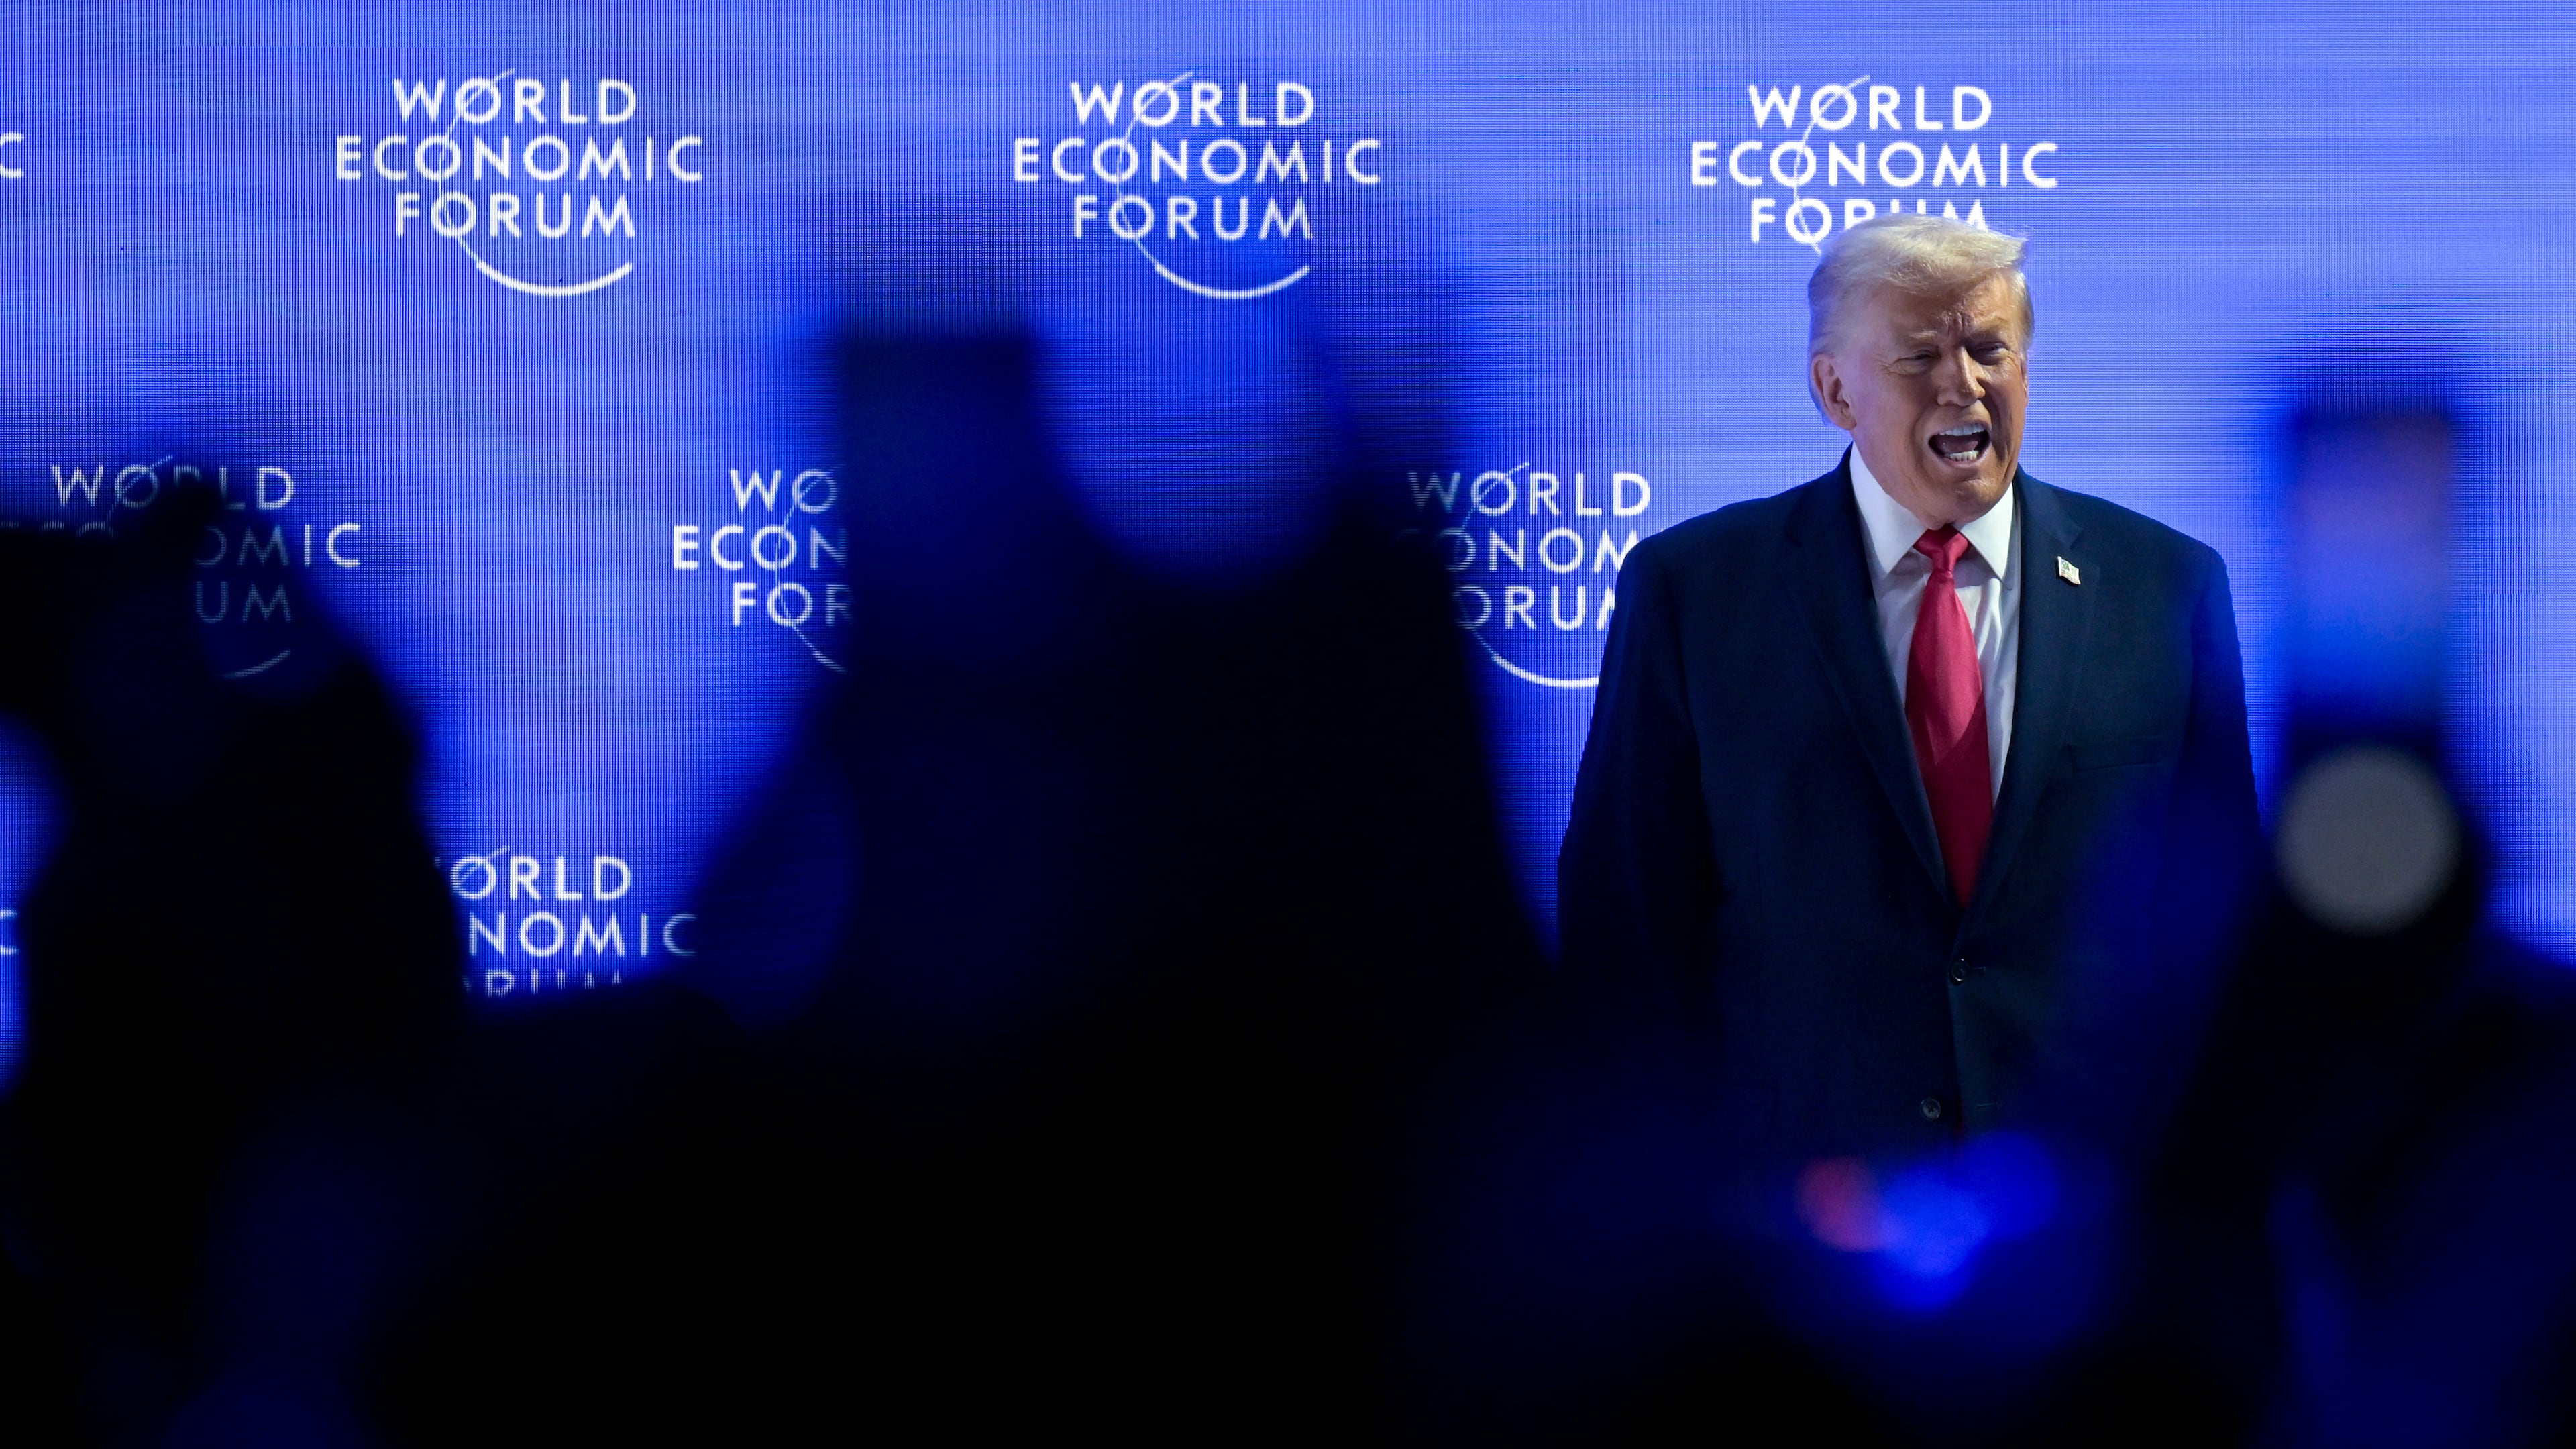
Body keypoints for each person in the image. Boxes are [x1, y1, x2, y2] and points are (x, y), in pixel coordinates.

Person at [1558, 214, 2261, 1160]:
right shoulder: (1695, 591)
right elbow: (1625, 931)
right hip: (1792, 1199)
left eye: (1989, 351)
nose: (1962, 383)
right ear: (1834, 389)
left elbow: (2225, 922)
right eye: (1919, 356)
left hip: (2086, 1192)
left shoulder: (2167, 587)